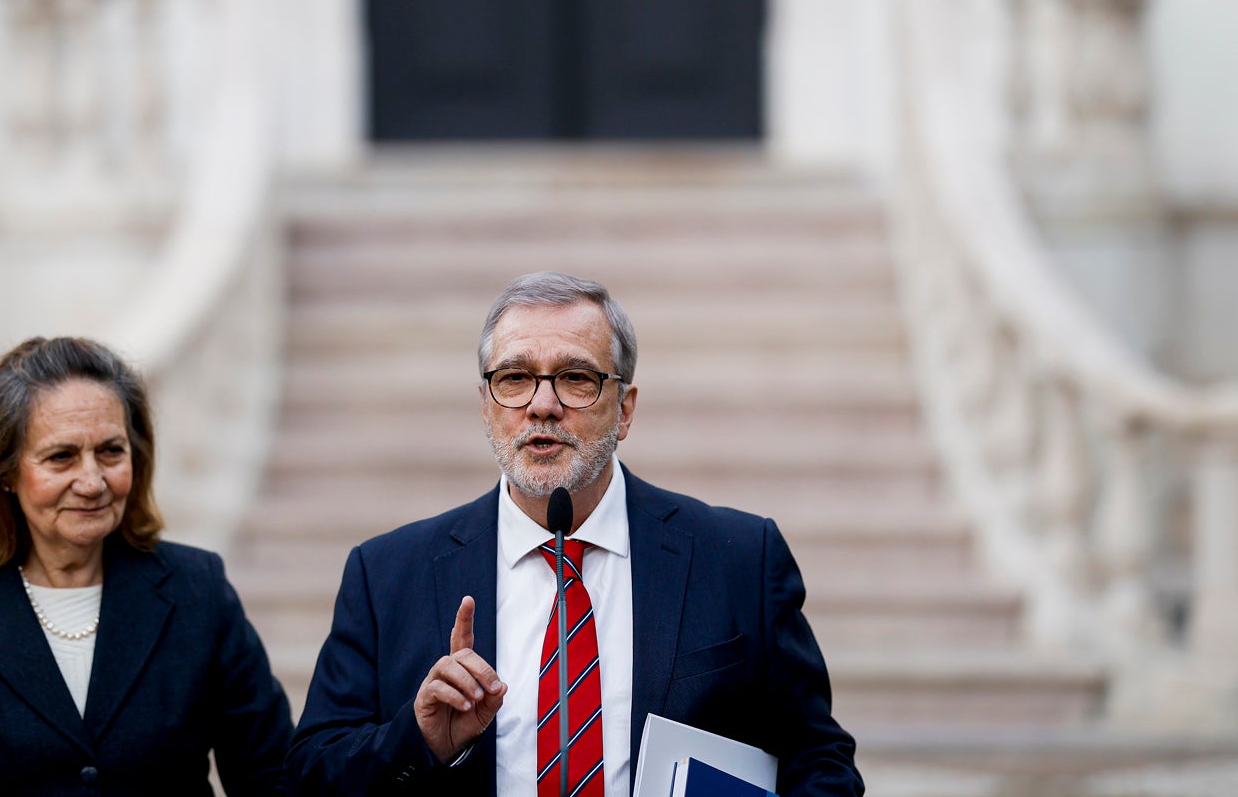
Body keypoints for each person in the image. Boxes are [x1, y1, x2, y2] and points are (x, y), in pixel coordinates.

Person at [286, 271, 863, 796]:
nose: (542, 405)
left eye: (576, 379)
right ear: (485, 406)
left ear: (625, 409)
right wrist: (418, 740)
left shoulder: (739, 559)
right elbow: (310, 773)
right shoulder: (386, 575)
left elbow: (819, 760)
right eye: (515, 378)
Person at [0, 336, 293, 795]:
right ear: (5, 472)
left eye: (111, 451)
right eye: (62, 457)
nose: (92, 482)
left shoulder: (198, 590)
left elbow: (273, 774)